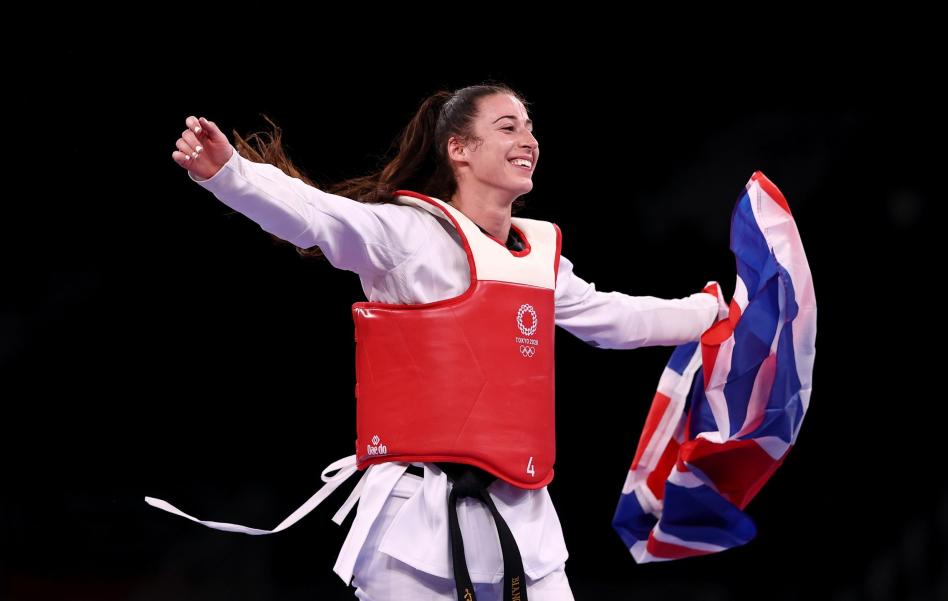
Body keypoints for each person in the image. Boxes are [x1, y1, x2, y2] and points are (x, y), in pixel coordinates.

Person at [154, 84, 722, 601]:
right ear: (459, 149)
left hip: (526, 519)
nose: (529, 140)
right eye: (508, 127)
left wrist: (716, 311)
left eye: (530, 128)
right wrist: (231, 174)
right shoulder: (404, 235)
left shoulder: (539, 256)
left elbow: (617, 318)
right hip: (413, 526)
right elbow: (317, 216)